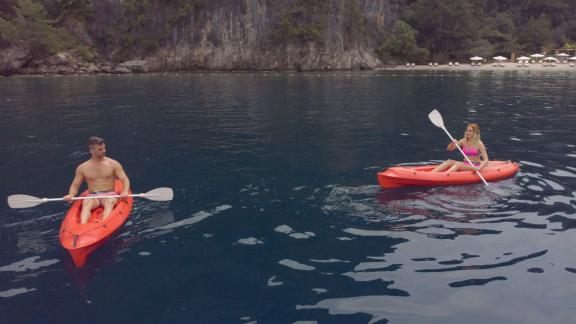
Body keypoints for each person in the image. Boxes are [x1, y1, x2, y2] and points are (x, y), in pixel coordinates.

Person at [63, 137, 130, 224]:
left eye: (104, 148)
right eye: (100, 149)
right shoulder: (82, 167)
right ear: (91, 151)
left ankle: (103, 223)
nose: (104, 151)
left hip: (109, 194)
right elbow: (75, 185)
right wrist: (71, 194)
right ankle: (83, 225)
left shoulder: (113, 164)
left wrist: (125, 191)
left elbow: (125, 179)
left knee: (109, 202)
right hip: (93, 195)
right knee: (86, 203)